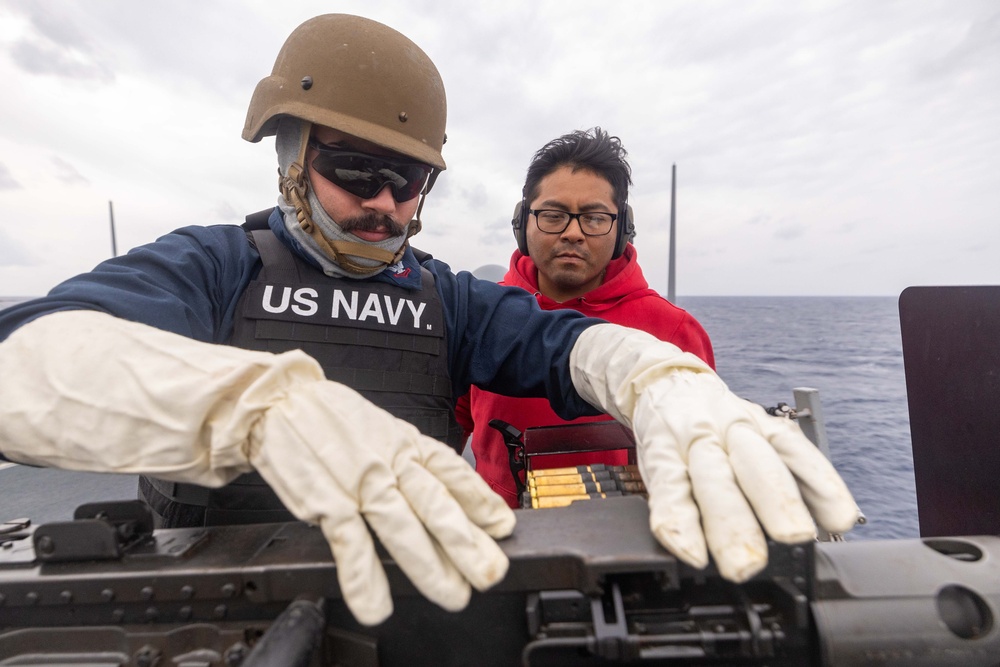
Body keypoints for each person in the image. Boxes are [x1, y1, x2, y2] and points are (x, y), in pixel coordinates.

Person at [0, 14, 858, 628]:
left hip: (410, 611)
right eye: (354, 169)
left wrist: (663, 379)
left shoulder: (444, 296)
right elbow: (28, 357)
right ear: (290, 156)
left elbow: (561, 340)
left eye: (407, 181)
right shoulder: (215, 266)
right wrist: (247, 406)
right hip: (217, 620)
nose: (382, 203)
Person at [456, 128, 716, 507]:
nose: (573, 233)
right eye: (554, 215)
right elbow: (449, 432)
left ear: (623, 229)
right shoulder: (483, 320)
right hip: (500, 543)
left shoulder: (673, 332)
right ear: (522, 223)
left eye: (594, 218)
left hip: (630, 544)